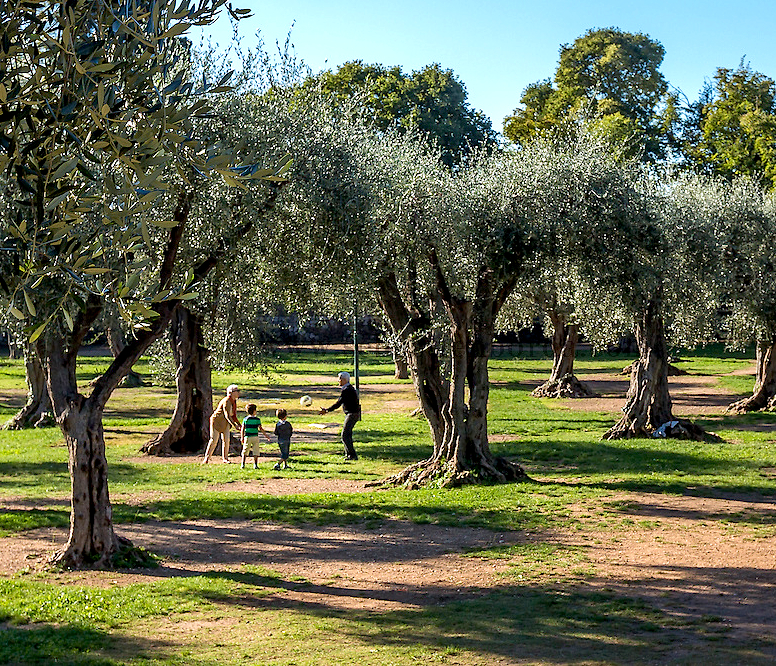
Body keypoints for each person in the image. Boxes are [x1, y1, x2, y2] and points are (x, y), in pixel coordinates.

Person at [319, 371, 360, 460]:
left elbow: (339, 402)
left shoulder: (347, 390)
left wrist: (327, 410)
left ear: (344, 380)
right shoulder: (348, 388)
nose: (338, 381)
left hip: (352, 414)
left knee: (344, 435)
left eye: (339, 379)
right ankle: (349, 454)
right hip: (352, 413)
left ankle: (352, 455)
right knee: (347, 435)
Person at [202, 384, 241, 464]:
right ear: (231, 392)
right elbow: (227, 415)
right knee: (214, 440)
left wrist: (239, 424)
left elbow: (233, 415)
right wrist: (234, 425)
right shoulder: (227, 401)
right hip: (217, 421)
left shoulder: (234, 401)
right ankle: (206, 458)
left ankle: (225, 458)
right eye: (237, 391)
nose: (238, 392)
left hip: (226, 423)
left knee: (226, 440)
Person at [240, 403, 271, 469]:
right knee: (256, 451)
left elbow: (242, 429)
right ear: (254, 411)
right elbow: (261, 428)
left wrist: (242, 437)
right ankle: (255, 464)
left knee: (245, 450)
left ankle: (243, 464)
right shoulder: (257, 420)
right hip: (255, 437)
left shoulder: (246, 419)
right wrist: (266, 435)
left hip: (247, 436)